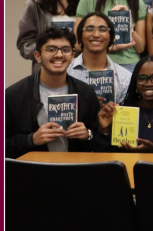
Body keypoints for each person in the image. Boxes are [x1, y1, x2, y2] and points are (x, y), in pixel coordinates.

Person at [6, 28, 101, 158]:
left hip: (76, 171)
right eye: (51, 49)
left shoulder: (86, 93)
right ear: (38, 56)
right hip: (32, 172)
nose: (59, 55)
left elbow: (98, 139)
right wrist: (31, 139)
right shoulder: (13, 96)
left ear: (73, 56)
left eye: (66, 50)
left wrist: (87, 134)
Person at [96, 55, 153, 153]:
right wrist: (104, 130)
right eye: (142, 78)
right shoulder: (121, 113)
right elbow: (104, 155)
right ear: (135, 82)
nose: (148, 83)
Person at [68, 12, 133, 104]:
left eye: (102, 30)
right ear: (80, 36)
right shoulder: (65, 71)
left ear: (110, 37)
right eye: (89, 29)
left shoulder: (124, 77)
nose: (96, 35)